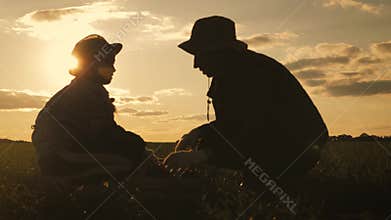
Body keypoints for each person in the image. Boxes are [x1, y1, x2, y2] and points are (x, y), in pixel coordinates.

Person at [164, 16, 329, 184]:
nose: (196, 64)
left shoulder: (256, 73)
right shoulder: (226, 74)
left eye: (200, 55)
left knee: (258, 176)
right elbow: (230, 123)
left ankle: (275, 184)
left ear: (220, 52)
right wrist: (198, 133)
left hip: (297, 145)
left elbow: (254, 129)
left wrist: (202, 156)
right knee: (208, 140)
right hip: (273, 138)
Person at [32, 34, 147, 180]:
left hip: (59, 157)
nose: (114, 69)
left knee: (132, 154)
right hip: (64, 160)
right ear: (93, 66)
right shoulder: (86, 93)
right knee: (130, 164)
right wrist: (138, 145)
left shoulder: (82, 89)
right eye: (109, 63)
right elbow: (104, 135)